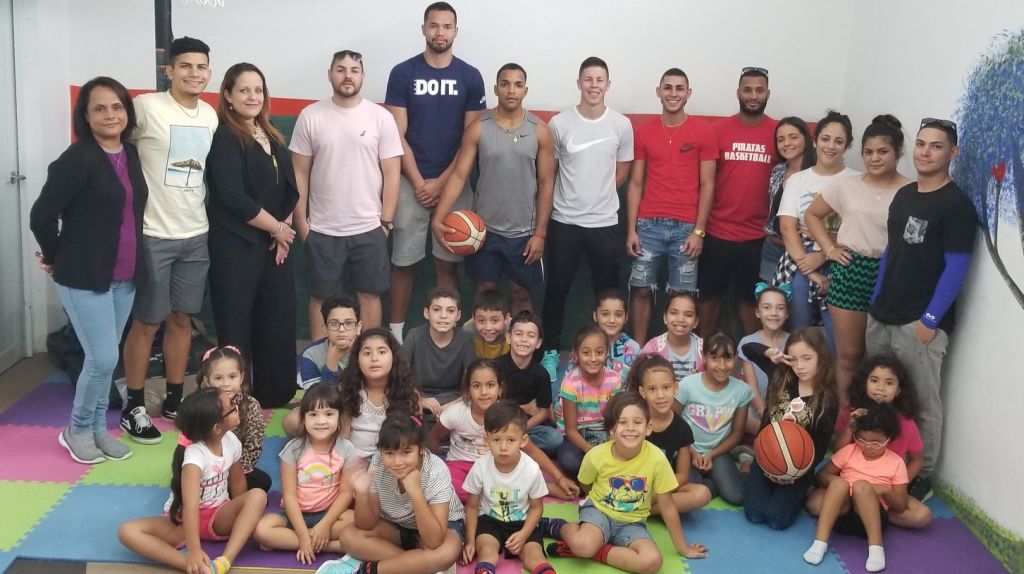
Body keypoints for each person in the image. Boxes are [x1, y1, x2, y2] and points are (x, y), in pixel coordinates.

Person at [30, 77, 148, 464]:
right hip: (85, 277)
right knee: (100, 359)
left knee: (108, 357)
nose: (110, 115)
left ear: (127, 112)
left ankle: (98, 429)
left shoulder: (128, 153)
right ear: (85, 115)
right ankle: (77, 429)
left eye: (117, 107)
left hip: (124, 274)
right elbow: (42, 216)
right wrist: (55, 255)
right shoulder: (77, 158)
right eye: (99, 108)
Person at [864, 118, 977, 500]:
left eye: (937, 146)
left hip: (921, 323)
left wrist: (929, 320)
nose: (926, 152)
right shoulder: (906, 194)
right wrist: (876, 300)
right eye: (922, 144)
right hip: (882, 314)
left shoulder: (957, 205)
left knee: (922, 399)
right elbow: (891, 254)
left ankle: (923, 474)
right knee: (876, 395)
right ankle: (876, 459)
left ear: (952, 153)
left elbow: (957, 266)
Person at [120, 36, 218, 444]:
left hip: (195, 232)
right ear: (170, 71)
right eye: (186, 66)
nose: (194, 73)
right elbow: (117, 153)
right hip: (152, 233)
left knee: (182, 319)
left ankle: (176, 398)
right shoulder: (146, 107)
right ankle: (135, 404)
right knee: (147, 321)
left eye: (201, 67)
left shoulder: (211, 116)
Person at [385, 2, 486, 344]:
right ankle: (396, 336)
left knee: (448, 263)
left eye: (447, 26)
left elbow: (470, 140)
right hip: (409, 181)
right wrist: (417, 182)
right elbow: (396, 135)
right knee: (404, 263)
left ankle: (451, 335)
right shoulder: (403, 73)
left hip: (454, 184)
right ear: (424, 29)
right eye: (434, 26)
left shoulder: (470, 76)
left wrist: (442, 183)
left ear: (456, 31)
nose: (440, 32)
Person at [206, 62, 299, 408]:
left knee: (276, 317)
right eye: (244, 90)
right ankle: (234, 398)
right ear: (228, 96)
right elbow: (233, 197)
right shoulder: (225, 137)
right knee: (236, 322)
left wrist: (281, 233)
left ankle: (275, 391)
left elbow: (288, 189)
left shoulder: (271, 135)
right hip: (235, 245)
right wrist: (276, 227)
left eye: (258, 89)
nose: (252, 96)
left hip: (274, 245)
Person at [290, 50, 402, 336]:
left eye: (354, 70)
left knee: (369, 295)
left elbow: (392, 174)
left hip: (369, 227)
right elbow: (299, 173)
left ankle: (369, 354)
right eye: (340, 69)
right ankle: (317, 365)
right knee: (322, 298)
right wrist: (302, 224)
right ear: (330, 74)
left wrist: (385, 223)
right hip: (323, 229)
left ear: (363, 76)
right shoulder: (310, 116)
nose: (347, 75)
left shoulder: (380, 117)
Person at [432, 63, 555, 316]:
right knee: (485, 293)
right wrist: (438, 218)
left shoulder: (539, 130)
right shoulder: (479, 126)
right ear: (496, 88)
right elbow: (458, 175)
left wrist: (540, 234)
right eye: (505, 84)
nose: (511, 90)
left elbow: (546, 184)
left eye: (518, 85)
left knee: (520, 293)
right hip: (483, 231)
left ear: (525, 90)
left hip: (524, 232)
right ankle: (482, 353)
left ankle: (524, 352)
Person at [540, 56, 634, 381]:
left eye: (600, 80)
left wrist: (598, 196)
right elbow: (549, 173)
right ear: (579, 83)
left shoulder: (621, 125)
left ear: (608, 84)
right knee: (556, 291)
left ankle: (604, 356)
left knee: (608, 296)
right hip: (564, 221)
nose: (594, 85)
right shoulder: (559, 123)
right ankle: (551, 352)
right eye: (588, 79)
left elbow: (621, 171)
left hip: (605, 223)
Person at [804, 115, 910, 399]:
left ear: (898, 153)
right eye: (868, 152)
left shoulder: (910, 191)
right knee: (849, 355)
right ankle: (843, 421)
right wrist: (829, 249)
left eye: (883, 152)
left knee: (879, 357)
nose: (874, 158)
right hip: (851, 271)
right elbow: (812, 215)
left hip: (890, 275)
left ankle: (874, 422)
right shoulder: (847, 186)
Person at [542, 392, 707, 571]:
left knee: (652, 561)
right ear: (611, 430)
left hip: (633, 522)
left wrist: (683, 548)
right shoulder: (596, 455)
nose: (630, 428)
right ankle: (559, 527)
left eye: (637, 422)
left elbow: (667, 505)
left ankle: (593, 551)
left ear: (648, 427)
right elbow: (586, 484)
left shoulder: (657, 459)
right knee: (583, 544)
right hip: (599, 512)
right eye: (622, 422)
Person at [118, 388, 268, 574]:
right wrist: (194, 551)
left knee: (258, 495)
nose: (237, 407)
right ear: (217, 428)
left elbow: (237, 483)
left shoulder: (231, 441)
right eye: (231, 407)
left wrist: (243, 516)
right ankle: (190, 566)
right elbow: (190, 506)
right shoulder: (194, 457)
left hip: (217, 517)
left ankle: (225, 561)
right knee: (127, 531)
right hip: (183, 521)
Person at [625, 68, 717, 345]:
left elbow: (708, 185)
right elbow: (635, 183)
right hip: (648, 225)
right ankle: (639, 352)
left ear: (688, 93)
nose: (673, 93)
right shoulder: (644, 132)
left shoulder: (703, 131)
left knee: (682, 298)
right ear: (658, 91)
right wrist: (631, 229)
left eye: (679, 88)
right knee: (641, 290)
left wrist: (699, 232)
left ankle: (681, 353)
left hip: (686, 228)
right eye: (668, 87)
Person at [806, 355, 932, 529]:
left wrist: (898, 486)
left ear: (898, 390)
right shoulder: (853, 410)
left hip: (881, 488)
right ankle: (861, 513)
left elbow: (917, 459)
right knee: (814, 504)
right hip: (848, 484)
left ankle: (858, 514)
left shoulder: (906, 423)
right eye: (874, 380)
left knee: (922, 517)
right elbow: (838, 451)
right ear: (865, 382)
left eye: (889, 383)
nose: (880, 388)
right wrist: (851, 424)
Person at [330, 413, 465, 574]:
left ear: (420, 449)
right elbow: (365, 524)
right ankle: (414, 565)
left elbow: (433, 541)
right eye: (389, 453)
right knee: (349, 536)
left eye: (406, 452)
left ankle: (373, 570)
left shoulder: (436, 470)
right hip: (398, 527)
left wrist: (416, 493)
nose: (397, 462)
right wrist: (362, 493)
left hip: (438, 530)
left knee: (446, 552)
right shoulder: (378, 462)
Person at [427, 360, 580, 501]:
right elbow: (434, 437)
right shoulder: (455, 413)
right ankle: (518, 492)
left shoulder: (506, 415)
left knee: (507, 476)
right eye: (476, 386)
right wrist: (428, 469)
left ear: (500, 389)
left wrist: (560, 478)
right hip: (459, 466)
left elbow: (532, 450)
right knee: (445, 486)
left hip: (495, 468)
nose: (484, 392)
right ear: (468, 390)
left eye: (490, 385)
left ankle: (517, 490)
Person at [698, 67, 778, 335]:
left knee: (751, 301)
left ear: (768, 93)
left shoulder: (779, 133)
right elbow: (704, 181)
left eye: (759, 89)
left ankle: (752, 358)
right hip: (718, 231)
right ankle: (702, 355)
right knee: (709, 299)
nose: (753, 95)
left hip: (759, 237)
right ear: (738, 93)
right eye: (747, 89)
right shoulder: (718, 130)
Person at [740, 327, 839, 530]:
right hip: (766, 458)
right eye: (793, 358)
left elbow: (820, 448)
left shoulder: (828, 400)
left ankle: (804, 489)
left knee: (777, 520)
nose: (799, 366)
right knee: (754, 514)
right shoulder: (780, 373)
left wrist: (795, 473)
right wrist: (769, 352)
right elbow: (747, 348)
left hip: (798, 469)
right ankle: (751, 467)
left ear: (822, 357)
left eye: (807, 358)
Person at [254, 384, 360, 564]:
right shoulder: (293, 450)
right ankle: (326, 545)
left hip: (329, 514)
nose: (321, 421)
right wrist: (303, 535)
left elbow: (345, 493)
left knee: (356, 521)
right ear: (303, 419)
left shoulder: (346, 449)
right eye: (313, 414)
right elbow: (289, 496)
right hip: (294, 515)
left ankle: (306, 541)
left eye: (329, 414)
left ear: (339, 417)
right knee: (261, 530)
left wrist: (325, 525)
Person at [775, 110, 861, 333]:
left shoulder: (856, 180)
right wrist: (808, 267)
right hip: (800, 257)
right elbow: (787, 227)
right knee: (798, 331)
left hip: (842, 257)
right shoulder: (799, 179)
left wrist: (824, 254)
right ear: (815, 141)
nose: (830, 146)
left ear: (847, 146)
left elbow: (857, 231)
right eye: (825, 139)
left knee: (835, 334)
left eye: (838, 141)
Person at [803, 404, 908, 573]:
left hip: (871, 521)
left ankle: (876, 548)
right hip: (841, 516)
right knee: (838, 483)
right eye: (862, 440)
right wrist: (844, 485)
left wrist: (884, 490)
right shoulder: (850, 451)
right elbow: (821, 476)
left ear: (889, 439)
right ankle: (819, 543)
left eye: (875, 443)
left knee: (862, 487)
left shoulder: (896, 462)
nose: (867, 447)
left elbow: (901, 505)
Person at [462, 401, 552, 574]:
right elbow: (472, 507)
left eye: (511, 440)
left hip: (522, 523)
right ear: (486, 439)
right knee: (487, 551)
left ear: (523, 440)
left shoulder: (531, 469)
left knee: (534, 555)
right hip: (490, 521)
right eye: (496, 440)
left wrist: (525, 533)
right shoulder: (480, 466)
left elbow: (537, 508)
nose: (503, 447)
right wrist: (470, 541)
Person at [626, 355, 713, 515]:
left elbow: (682, 475)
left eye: (666, 388)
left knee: (703, 493)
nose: (660, 395)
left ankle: (642, 511)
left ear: (676, 388)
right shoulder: (633, 420)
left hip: (662, 487)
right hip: (631, 483)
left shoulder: (682, 428)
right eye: (652, 389)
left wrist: (654, 495)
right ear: (642, 392)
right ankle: (636, 507)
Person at [675, 333, 752, 505]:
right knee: (692, 490)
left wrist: (712, 454)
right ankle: (713, 481)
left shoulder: (742, 391)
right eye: (715, 358)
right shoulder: (687, 385)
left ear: (736, 358)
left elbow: (737, 432)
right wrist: (692, 452)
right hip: (687, 450)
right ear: (704, 357)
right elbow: (673, 421)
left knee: (737, 497)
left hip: (718, 452)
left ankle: (745, 464)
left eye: (728, 358)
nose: (722, 365)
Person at [196, 346, 270, 491]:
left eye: (232, 377)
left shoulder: (251, 405)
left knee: (262, 482)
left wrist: (233, 471)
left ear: (241, 377)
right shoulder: (199, 406)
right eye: (218, 378)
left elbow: (254, 446)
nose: (226, 384)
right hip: (205, 468)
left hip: (236, 468)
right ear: (207, 381)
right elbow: (190, 443)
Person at [556, 325, 624, 481]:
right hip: (576, 435)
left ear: (607, 353)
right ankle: (591, 482)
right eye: (586, 353)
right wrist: (591, 451)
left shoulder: (614, 379)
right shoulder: (570, 382)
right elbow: (570, 430)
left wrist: (610, 446)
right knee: (571, 462)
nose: (593, 358)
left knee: (624, 453)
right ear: (576, 354)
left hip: (604, 431)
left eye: (599, 352)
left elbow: (613, 419)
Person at [493, 312, 564, 455]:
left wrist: (520, 429)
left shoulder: (542, 374)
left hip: (527, 426)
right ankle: (517, 445)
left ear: (538, 343)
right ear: (508, 337)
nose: (524, 340)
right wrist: (525, 408)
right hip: (497, 422)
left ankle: (512, 443)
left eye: (531, 335)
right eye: (518, 334)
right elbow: (491, 404)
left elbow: (543, 412)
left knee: (555, 438)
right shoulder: (495, 367)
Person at [402, 286, 476, 416]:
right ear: (426, 313)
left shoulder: (465, 340)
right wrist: (419, 400)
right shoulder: (414, 336)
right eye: (437, 309)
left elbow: (472, 385)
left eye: (450, 311)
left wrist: (450, 407)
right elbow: (399, 376)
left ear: (458, 315)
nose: (443, 316)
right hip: (417, 397)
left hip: (454, 401)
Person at [759, 117, 816, 281]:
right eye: (780, 139)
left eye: (793, 137)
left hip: (805, 250)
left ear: (806, 138)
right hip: (773, 245)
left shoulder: (817, 173)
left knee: (797, 303)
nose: (786, 143)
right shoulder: (778, 170)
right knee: (769, 300)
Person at [563, 290, 640, 381]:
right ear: (595, 315)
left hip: (622, 395)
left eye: (618, 315)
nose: (612, 320)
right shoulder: (583, 343)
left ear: (626, 317)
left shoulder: (634, 348)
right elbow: (568, 382)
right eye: (605, 314)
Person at [298, 296, 362, 390]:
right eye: (334, 323)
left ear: (358, 327)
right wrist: (331, 364)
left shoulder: (370, 350)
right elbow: (316, 399)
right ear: (325, 328)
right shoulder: (310, 355)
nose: (341, 329)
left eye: (348, 323)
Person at [639, 292, 704, 382]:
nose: (680, 319)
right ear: (665, 317)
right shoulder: (653, 348)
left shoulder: (704, 348)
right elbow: (639, 380)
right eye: (674, 313)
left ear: (696, 321)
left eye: (688, 315)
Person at [463, 289, 511, 359]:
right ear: (473, 318)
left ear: (506, 318)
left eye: (494, 321)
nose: (488, 328)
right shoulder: (468, 331)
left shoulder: (515, 330)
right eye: (481, 321)